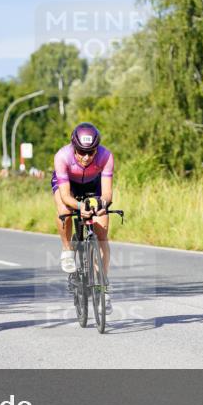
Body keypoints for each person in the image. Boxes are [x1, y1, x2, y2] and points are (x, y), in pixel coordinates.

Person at [51, 122, 115, 312]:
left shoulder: (106, 156)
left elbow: (107, 193)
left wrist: (103, 205)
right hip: (68, 185)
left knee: (102, 234)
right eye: (81, 151)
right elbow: (65, 196)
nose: (86, 157)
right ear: (73, 147)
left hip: (93, 185)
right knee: (64, 211)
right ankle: (67, 249)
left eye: (91, 152)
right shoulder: (62, 156)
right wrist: (80, 206)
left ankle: (102, 288)